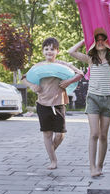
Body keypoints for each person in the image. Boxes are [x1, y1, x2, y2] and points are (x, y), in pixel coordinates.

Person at [68, 28, 110, 177]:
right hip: (93, 99)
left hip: (108, 99)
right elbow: (71, 52)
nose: (100, 42)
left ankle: (99, 166)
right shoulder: (91, 59)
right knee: (95, 133)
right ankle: (92, 167)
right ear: (94, 44)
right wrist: (85, 40)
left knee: (103, 135)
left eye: (103, 39)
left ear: (107, 43)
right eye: (97, 40)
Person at [22, 37, 84, 170]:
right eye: (46, 49)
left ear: (57, 51)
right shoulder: (38, 67)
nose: (49, 51)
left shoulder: (63, 65)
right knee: (47, 133)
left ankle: (51, 150)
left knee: (60, 135)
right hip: (43, 103)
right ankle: (53, 160)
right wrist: (32, 86)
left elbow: (80, 74)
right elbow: (24, 78)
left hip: (58, 103)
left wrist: (69, 82)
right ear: (43, 51)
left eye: (52, 49)